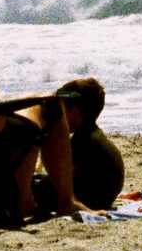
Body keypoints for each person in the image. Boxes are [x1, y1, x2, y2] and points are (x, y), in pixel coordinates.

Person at [28, 78, 122, 214]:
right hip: (103, 198)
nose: (58, 118)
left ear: (75, 113)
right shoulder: (94, 135)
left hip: (90, 199)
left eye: (61, 112)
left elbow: (59, 179)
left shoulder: (82, 141)